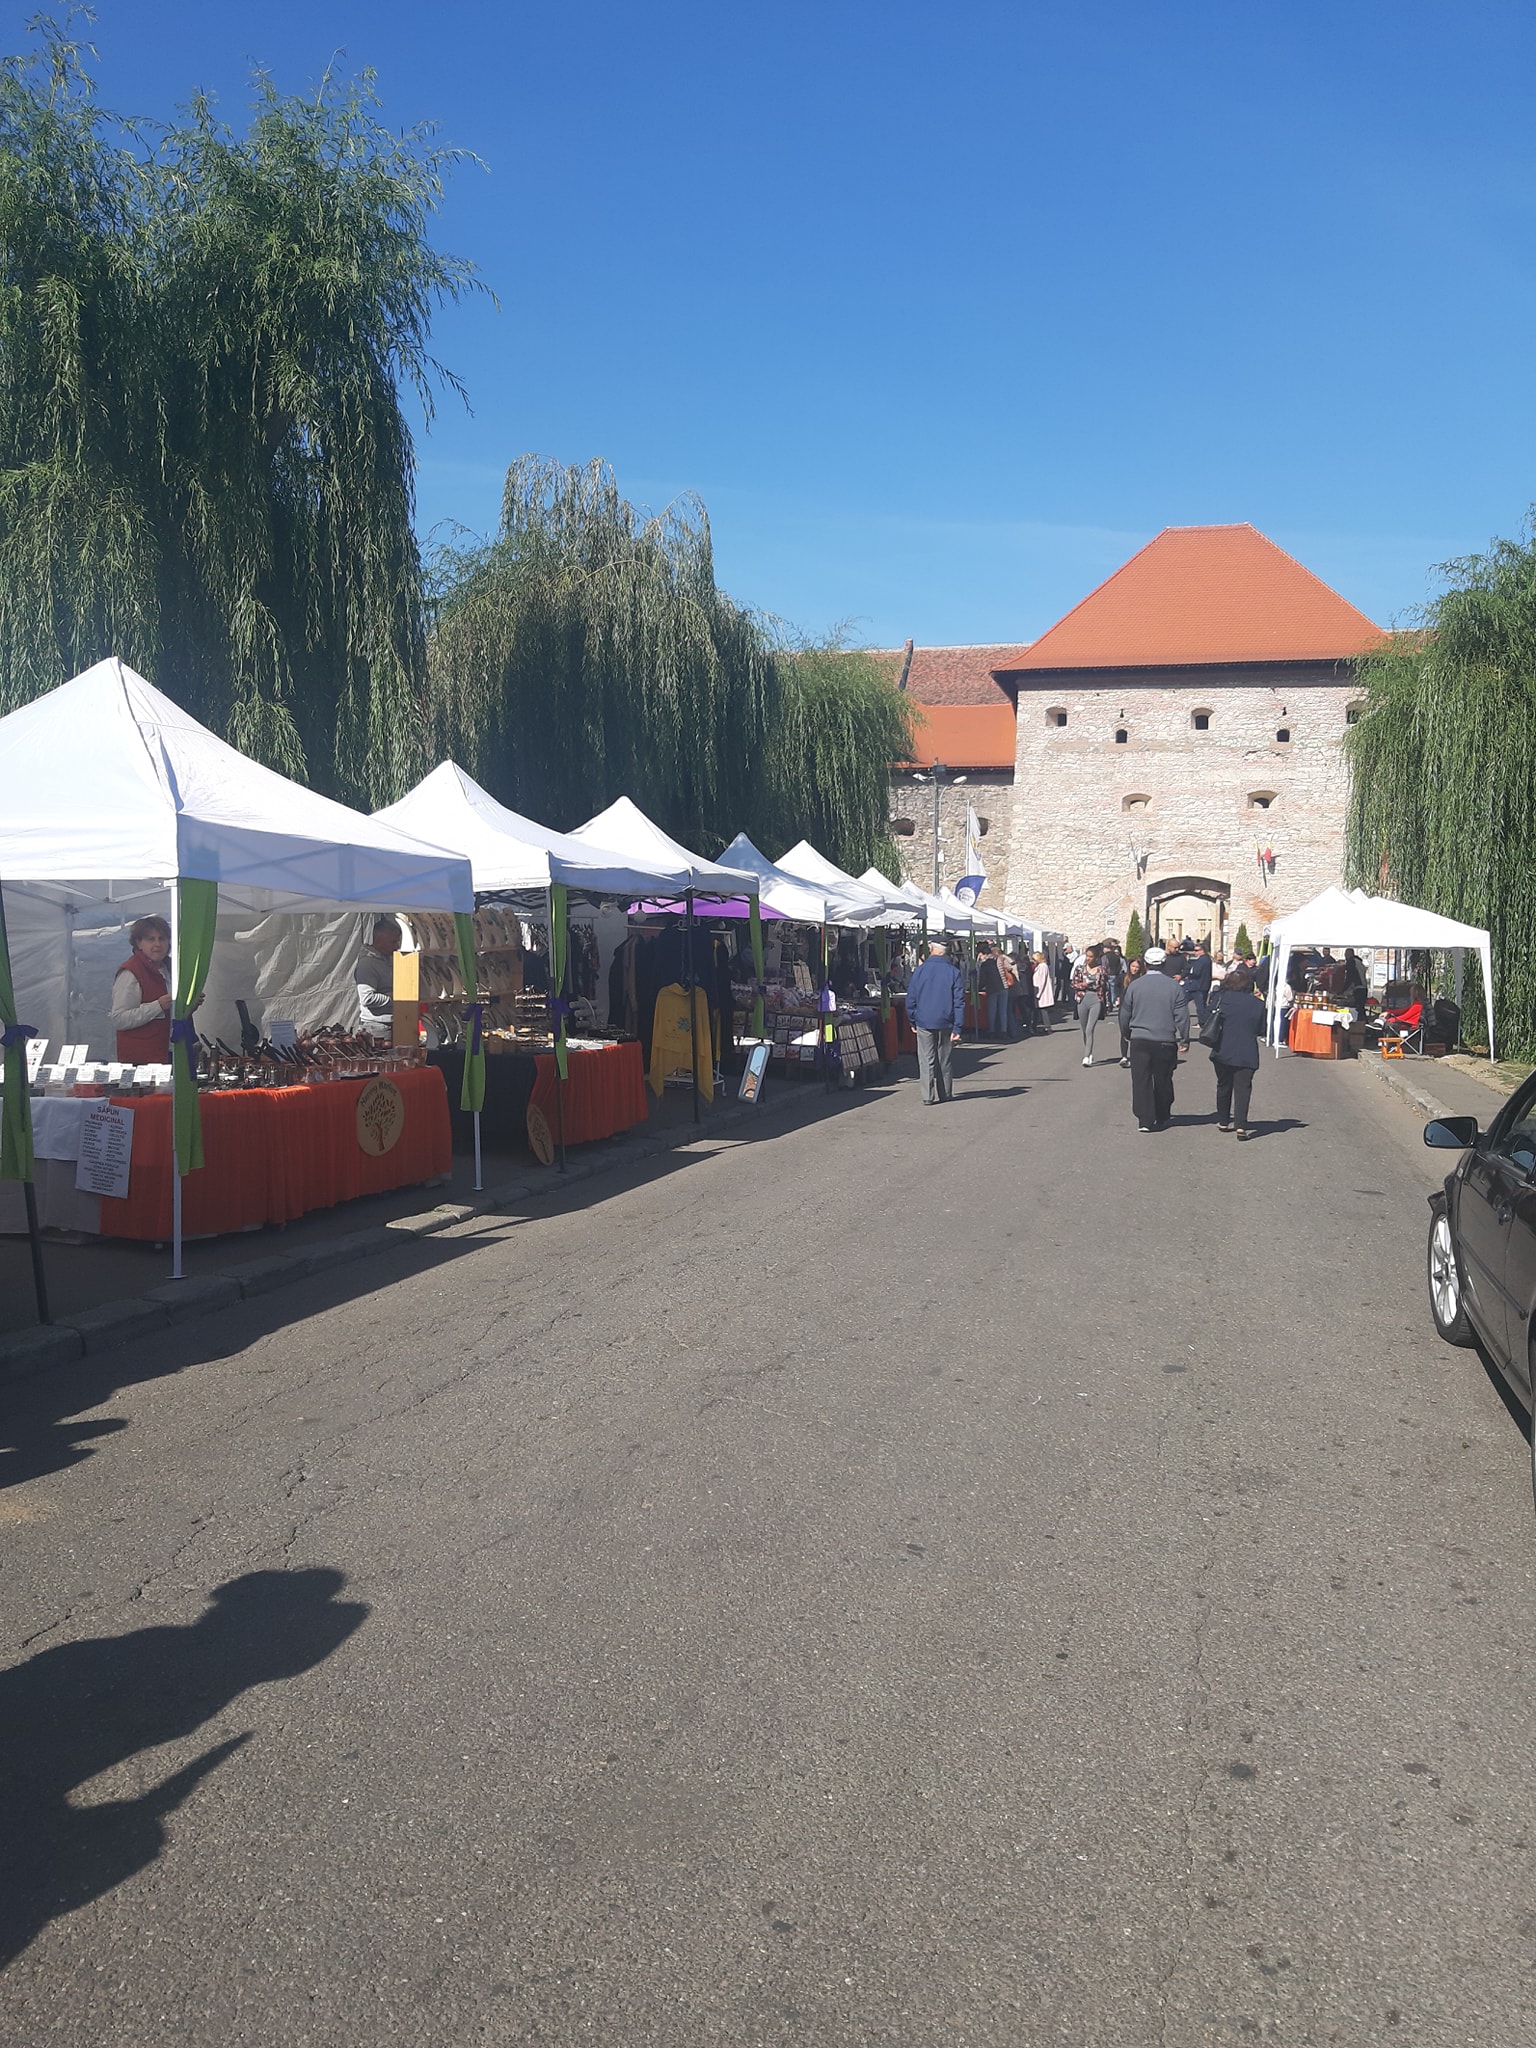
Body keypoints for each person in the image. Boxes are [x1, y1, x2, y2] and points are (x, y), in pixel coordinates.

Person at [110, 914, 201, 1062]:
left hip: (174, 1052)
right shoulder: (131, 972)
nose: (157, 944)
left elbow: (172, 1015)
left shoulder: (174, 969)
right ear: (139, 943)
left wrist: (189, 1006)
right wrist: (157, 1006)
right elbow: (119, 1019)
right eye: (151, 939)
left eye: (162, 938)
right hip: (143, 1059)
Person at [1119, 947, 1187, 1131]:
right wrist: (1184, 1038)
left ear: (1146, 964)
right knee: (1163, 1078)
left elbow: (1125, 1013)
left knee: (1141, 1079)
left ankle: (1144, 1118)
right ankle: (1162, 1113)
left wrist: (1126, 1032)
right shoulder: (1174, 986)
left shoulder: (1135, 986)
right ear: (1163, 964)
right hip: (1165, 1039)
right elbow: (1182, 1016)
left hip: (1140, 1038)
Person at [1206, 965, 1267, 1138]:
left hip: (1223, 1048)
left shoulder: (1220, 999)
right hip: (1247, 1050)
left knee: (1223, 1085)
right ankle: (1241, 1125)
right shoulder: (1257, 1004)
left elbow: (1208, 1017)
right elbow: (1261, 1029)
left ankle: (1223, 1120)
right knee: (1243, 1088)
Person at [906, 936, 966, 1104]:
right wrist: (958, 1027)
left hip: (924, 1019)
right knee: (944, 1058)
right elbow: (959, 1001)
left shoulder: (920, 971)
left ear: (931, 949)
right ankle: (945, 1092)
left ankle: (928, 1096)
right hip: (946, 1020)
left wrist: (912, 1020)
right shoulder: (953, 972)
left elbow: (911, 998)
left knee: (926, 1059)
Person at [356, 916, 402, 1041]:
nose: (397, 946)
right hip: (377, 1028)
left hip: (390, 1023)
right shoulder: (367, 964)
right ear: (380, 940)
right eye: (393, 942)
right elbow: (367, 998)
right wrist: (396, 997)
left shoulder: (387, 959)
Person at [1073, 947, 1109, 1067]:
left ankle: (1086, 1056)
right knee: (1084, 1029)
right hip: (1082, 999)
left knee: (1090, 1029)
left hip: (1096, 1000)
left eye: (1091, 956)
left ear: (1096, 958)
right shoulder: (1080, 969)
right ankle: (1089, 1051)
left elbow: (1105, 986)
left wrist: (1106, 1003)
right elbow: (1073, 984)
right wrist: (1082, 985)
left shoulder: (1101, 970)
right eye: (1087, 956)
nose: (1088, 958)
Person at [977, 943, 1010, 1037]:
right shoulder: (999, 959)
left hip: (992, 988)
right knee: (1003, 1011)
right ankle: (1003, 1030)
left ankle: (992, 1030)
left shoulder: (985, 964)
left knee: (992, 1010)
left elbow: (983, 979)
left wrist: (979, 987)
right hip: (1004, 986)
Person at [1117, 955, 1144, 1067]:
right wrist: (1117, 998)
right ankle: (1124, 1056)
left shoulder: (1142, 979)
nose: (1135, 969)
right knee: (1124, 1032)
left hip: (1137, 1009)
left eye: (1137, 967)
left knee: (1135, 1034)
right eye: (1133, 966)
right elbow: (1118, 989)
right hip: (1124, 1008)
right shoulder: (1123, 977)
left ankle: (1135, 1056)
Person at [1181, 939, 1213, 1030]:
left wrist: (1188, 973)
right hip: (1204, 985)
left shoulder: (1202, 960)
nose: (1195, 952)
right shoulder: (1207, 959)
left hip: (1196, 986)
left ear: (1202, 951)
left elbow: (1196, 972)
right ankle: (1204, 1022)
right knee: (1201, 1004)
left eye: (1196, 950)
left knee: (1197, 1005)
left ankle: (1203, 1022)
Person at [1032, 951, 1054, 1029]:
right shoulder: (1042, 966)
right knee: (1038, 1011)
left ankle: (1047, 1027)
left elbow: (1041, 981)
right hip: (1040, 992)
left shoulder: (1042, 967)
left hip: (1041, 992)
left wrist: (1038, 994)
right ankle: (1036, 1026)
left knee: (1042, 1010)